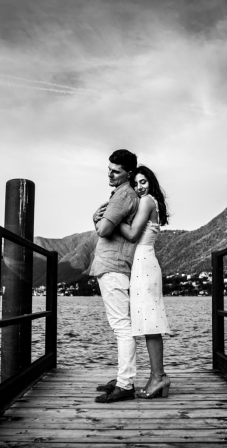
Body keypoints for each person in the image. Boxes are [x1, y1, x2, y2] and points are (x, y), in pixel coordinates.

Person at [117, 165, 172, 398]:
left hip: (144, 264)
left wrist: (110, 218)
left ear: (151, 183)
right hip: (143, 263)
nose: (139, 187)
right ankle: (156, 377)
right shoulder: (148, 202)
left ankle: (159, 377)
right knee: (149, 325)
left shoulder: (148, 201)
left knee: (151, 325)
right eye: (136, 183)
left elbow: (131, 234)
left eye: (143, 182)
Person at [90, 149, 140, 403]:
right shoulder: (122, 194)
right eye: (108, 168)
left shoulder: (123, 196)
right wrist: (98, 221)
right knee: (122, 325)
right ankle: (123, 378)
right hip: (114, 266)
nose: (109, 173)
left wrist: (96, 220)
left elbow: (104, 229)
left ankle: (125, 384)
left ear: (128, 173)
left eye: (116, 171)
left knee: (122, 327)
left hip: (114, 266)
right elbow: (103, 227)